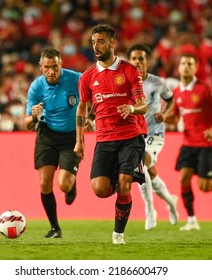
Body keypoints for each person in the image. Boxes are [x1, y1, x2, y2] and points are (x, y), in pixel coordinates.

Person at [74, 24, 147, 245]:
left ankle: (118, 234)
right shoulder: (87, 77)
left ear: (113, 43)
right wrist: (79, 141)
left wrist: (132, 109)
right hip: (104, 140)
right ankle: (118, 175)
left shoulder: (129, 71)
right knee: (100, 189)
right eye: (93, 42)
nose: (96, 46)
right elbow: (82, 109)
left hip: (130, 137)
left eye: (101, 41)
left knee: (125, 184)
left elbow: (143, 105)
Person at [169, 53, 212, 231]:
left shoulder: (206, 89)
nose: (185, 66)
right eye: (183, 63)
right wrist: (163, 118)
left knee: (205, 187)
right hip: (188, 142)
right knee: (183, 178)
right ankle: (192, 219)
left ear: (195, 67)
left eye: (189, 63)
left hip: (207, 143)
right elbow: (174, 117)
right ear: (179, 67)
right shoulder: (176, 92)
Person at [24, 48, 80, 238]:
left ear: (61, 65)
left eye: (55, 67)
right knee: (44, 184)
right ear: (41, 67)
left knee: (63, 184)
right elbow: (26, 124)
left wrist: (89, 115)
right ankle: (55, 228)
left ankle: (72, 185)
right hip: (46, 136)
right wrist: (33, 115)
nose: (51, 71)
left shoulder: (76, 79)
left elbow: (94, 94)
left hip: (71, 137)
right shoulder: (36, 87)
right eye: (47, 67)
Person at [127, 44, 179, 230]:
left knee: (142, 163)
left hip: (154, 134)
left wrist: (165, 114)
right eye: (134, 58)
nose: (137, 62)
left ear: (147, 62)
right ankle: (171, 203)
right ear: (130, 61)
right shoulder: (126, 82)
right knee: (150, 173)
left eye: (141, 59)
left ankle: (150, 211)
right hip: (134, 134)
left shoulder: (158, 83)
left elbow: (171, 99)